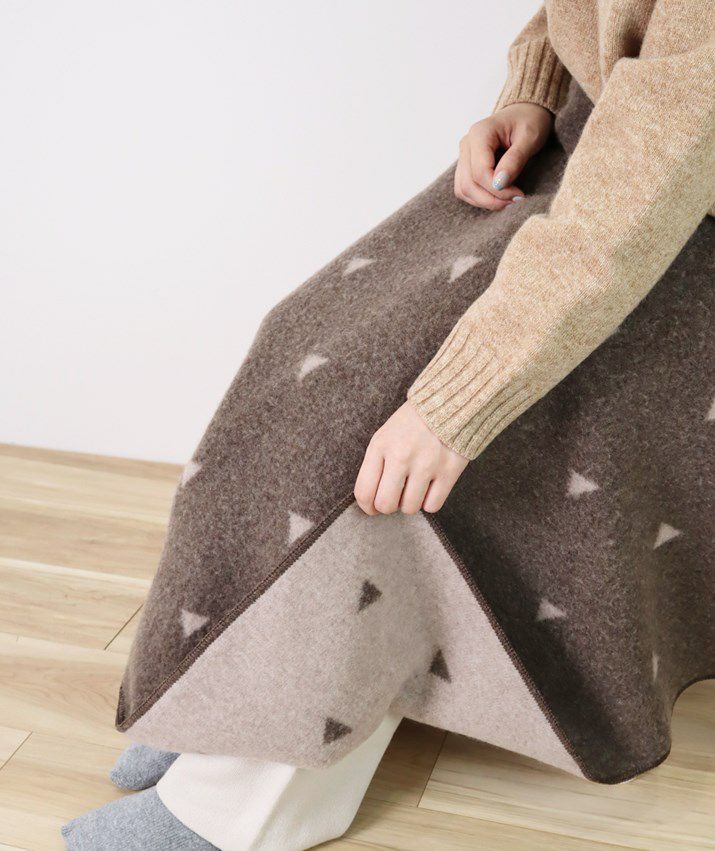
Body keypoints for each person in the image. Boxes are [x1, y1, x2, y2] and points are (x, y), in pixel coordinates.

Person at [63, 2, 714, 849]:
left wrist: (459, 401)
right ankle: (224, 696)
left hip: (670, 190)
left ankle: (250, 802)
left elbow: (674, 129)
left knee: (398, 455)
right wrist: (534, 89)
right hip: (605, 141)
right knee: (309, 344)